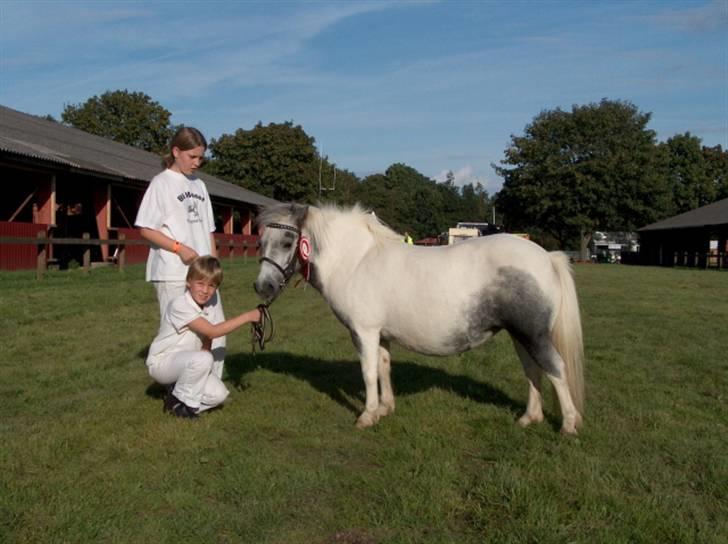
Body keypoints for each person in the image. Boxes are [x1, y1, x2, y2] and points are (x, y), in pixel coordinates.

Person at [134, 127, 227, 381]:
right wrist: (179, 248)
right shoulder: (161, 183)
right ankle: (177, 392)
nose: (197, 163)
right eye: (192, 157)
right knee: (182, 336)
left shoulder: (200, 185)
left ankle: (210, 386)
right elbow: (145, 229)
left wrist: (214, 266)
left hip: (204, 274)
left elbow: (209, 230)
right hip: (173, 272)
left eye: (201, 158)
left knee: (216, 331)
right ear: (176, 152)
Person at [146, 256, 261, 418]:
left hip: (187, 362)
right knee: (203, 360)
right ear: (188, 282)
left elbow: (207, 341)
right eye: (200, 283)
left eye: (211, 285)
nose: (205, 290)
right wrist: (248, 316)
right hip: (162, 363)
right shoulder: (179, 304)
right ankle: (180, 405)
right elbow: (212, 332)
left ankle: (179, 398)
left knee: (219, 394)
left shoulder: (209, 307)